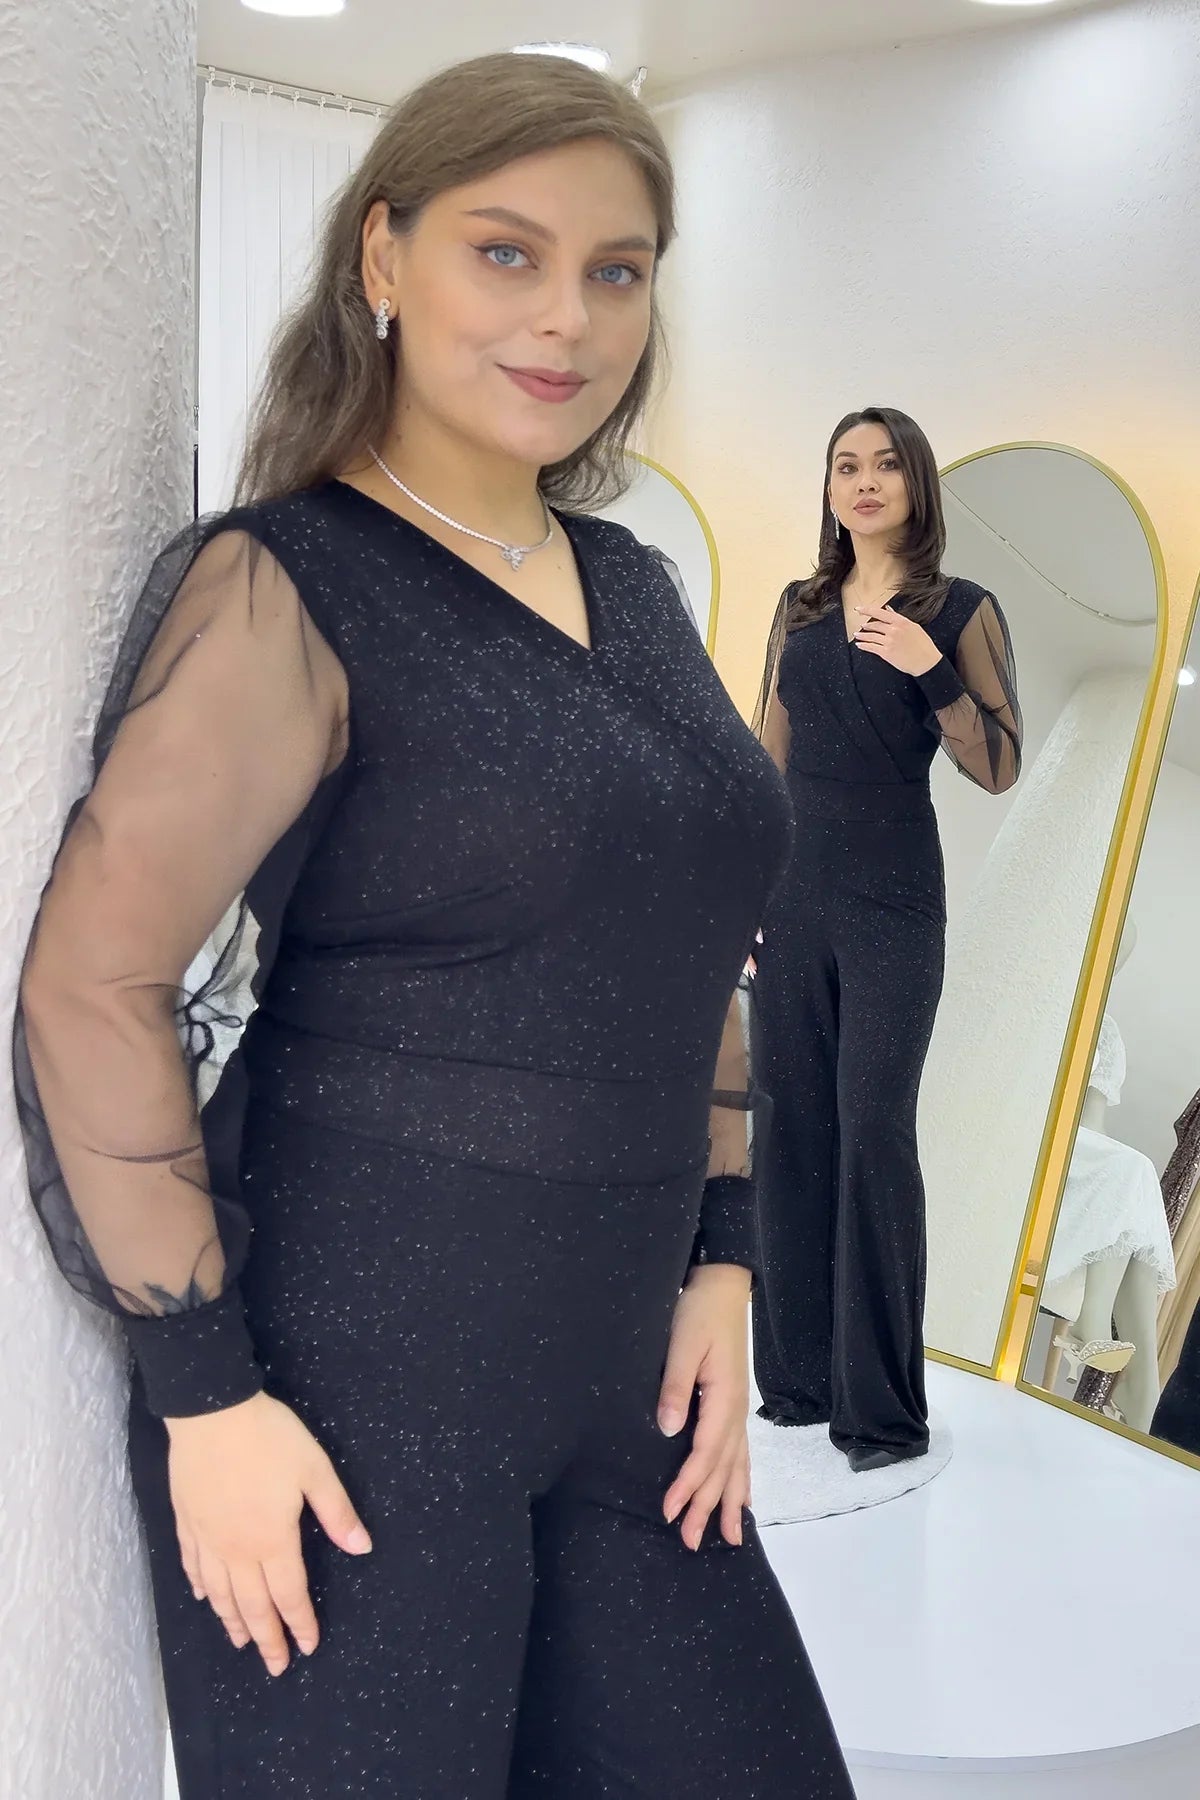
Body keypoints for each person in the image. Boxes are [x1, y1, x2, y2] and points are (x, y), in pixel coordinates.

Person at [14, 52, 854, 1800]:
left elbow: (687, 931)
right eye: (507, 252)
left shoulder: (633, 583)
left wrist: (722, 1255)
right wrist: (202, 1392)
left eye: (618, 270)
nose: (568, 318)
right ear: (383, 257)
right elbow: (96, 983)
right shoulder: (284, 583)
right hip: (349, 1403)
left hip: (627, 1389)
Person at [750, 407, 1022, 1472]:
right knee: (792, 1129)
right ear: (830, 489)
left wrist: (931, 666)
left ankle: (883, 1414)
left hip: (895, 902)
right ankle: (800, 1383)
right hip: (793, 895)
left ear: (916, 485)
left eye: (885, 466)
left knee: (873, 1130)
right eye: (845, 466)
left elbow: (997, 765)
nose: (864, 482)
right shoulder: (801, 606)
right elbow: (767, 753)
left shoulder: (960, 609)